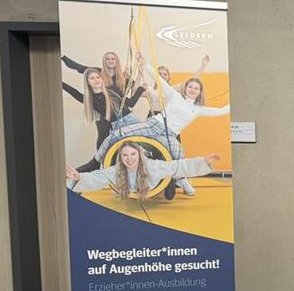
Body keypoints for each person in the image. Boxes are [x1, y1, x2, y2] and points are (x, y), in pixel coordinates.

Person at [90, 56, 229, 198]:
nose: (193, 90)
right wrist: (146, 64)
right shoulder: (175, 96)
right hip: (153, 124)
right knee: (117, 134)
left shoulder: (199, 109)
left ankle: (183, 181)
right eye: (190, 87)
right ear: (185, 88)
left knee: (179, 154)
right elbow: (159, 81)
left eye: (196, 88)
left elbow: (221, 111)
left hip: (169, 134)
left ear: (200, 92)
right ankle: (95, 163)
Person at [65, 141, 220, 199]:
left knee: (172, 173)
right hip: (132, 189)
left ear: (139, 155)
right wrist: (79, 177)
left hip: (153, 184)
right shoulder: (117, 170)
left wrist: (203, 162)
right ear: (120, 158)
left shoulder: (152, 166)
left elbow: (177, 166)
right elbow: (98, 177)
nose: (129, 158)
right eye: (125, 155)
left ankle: (176, 183)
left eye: (133, 154)